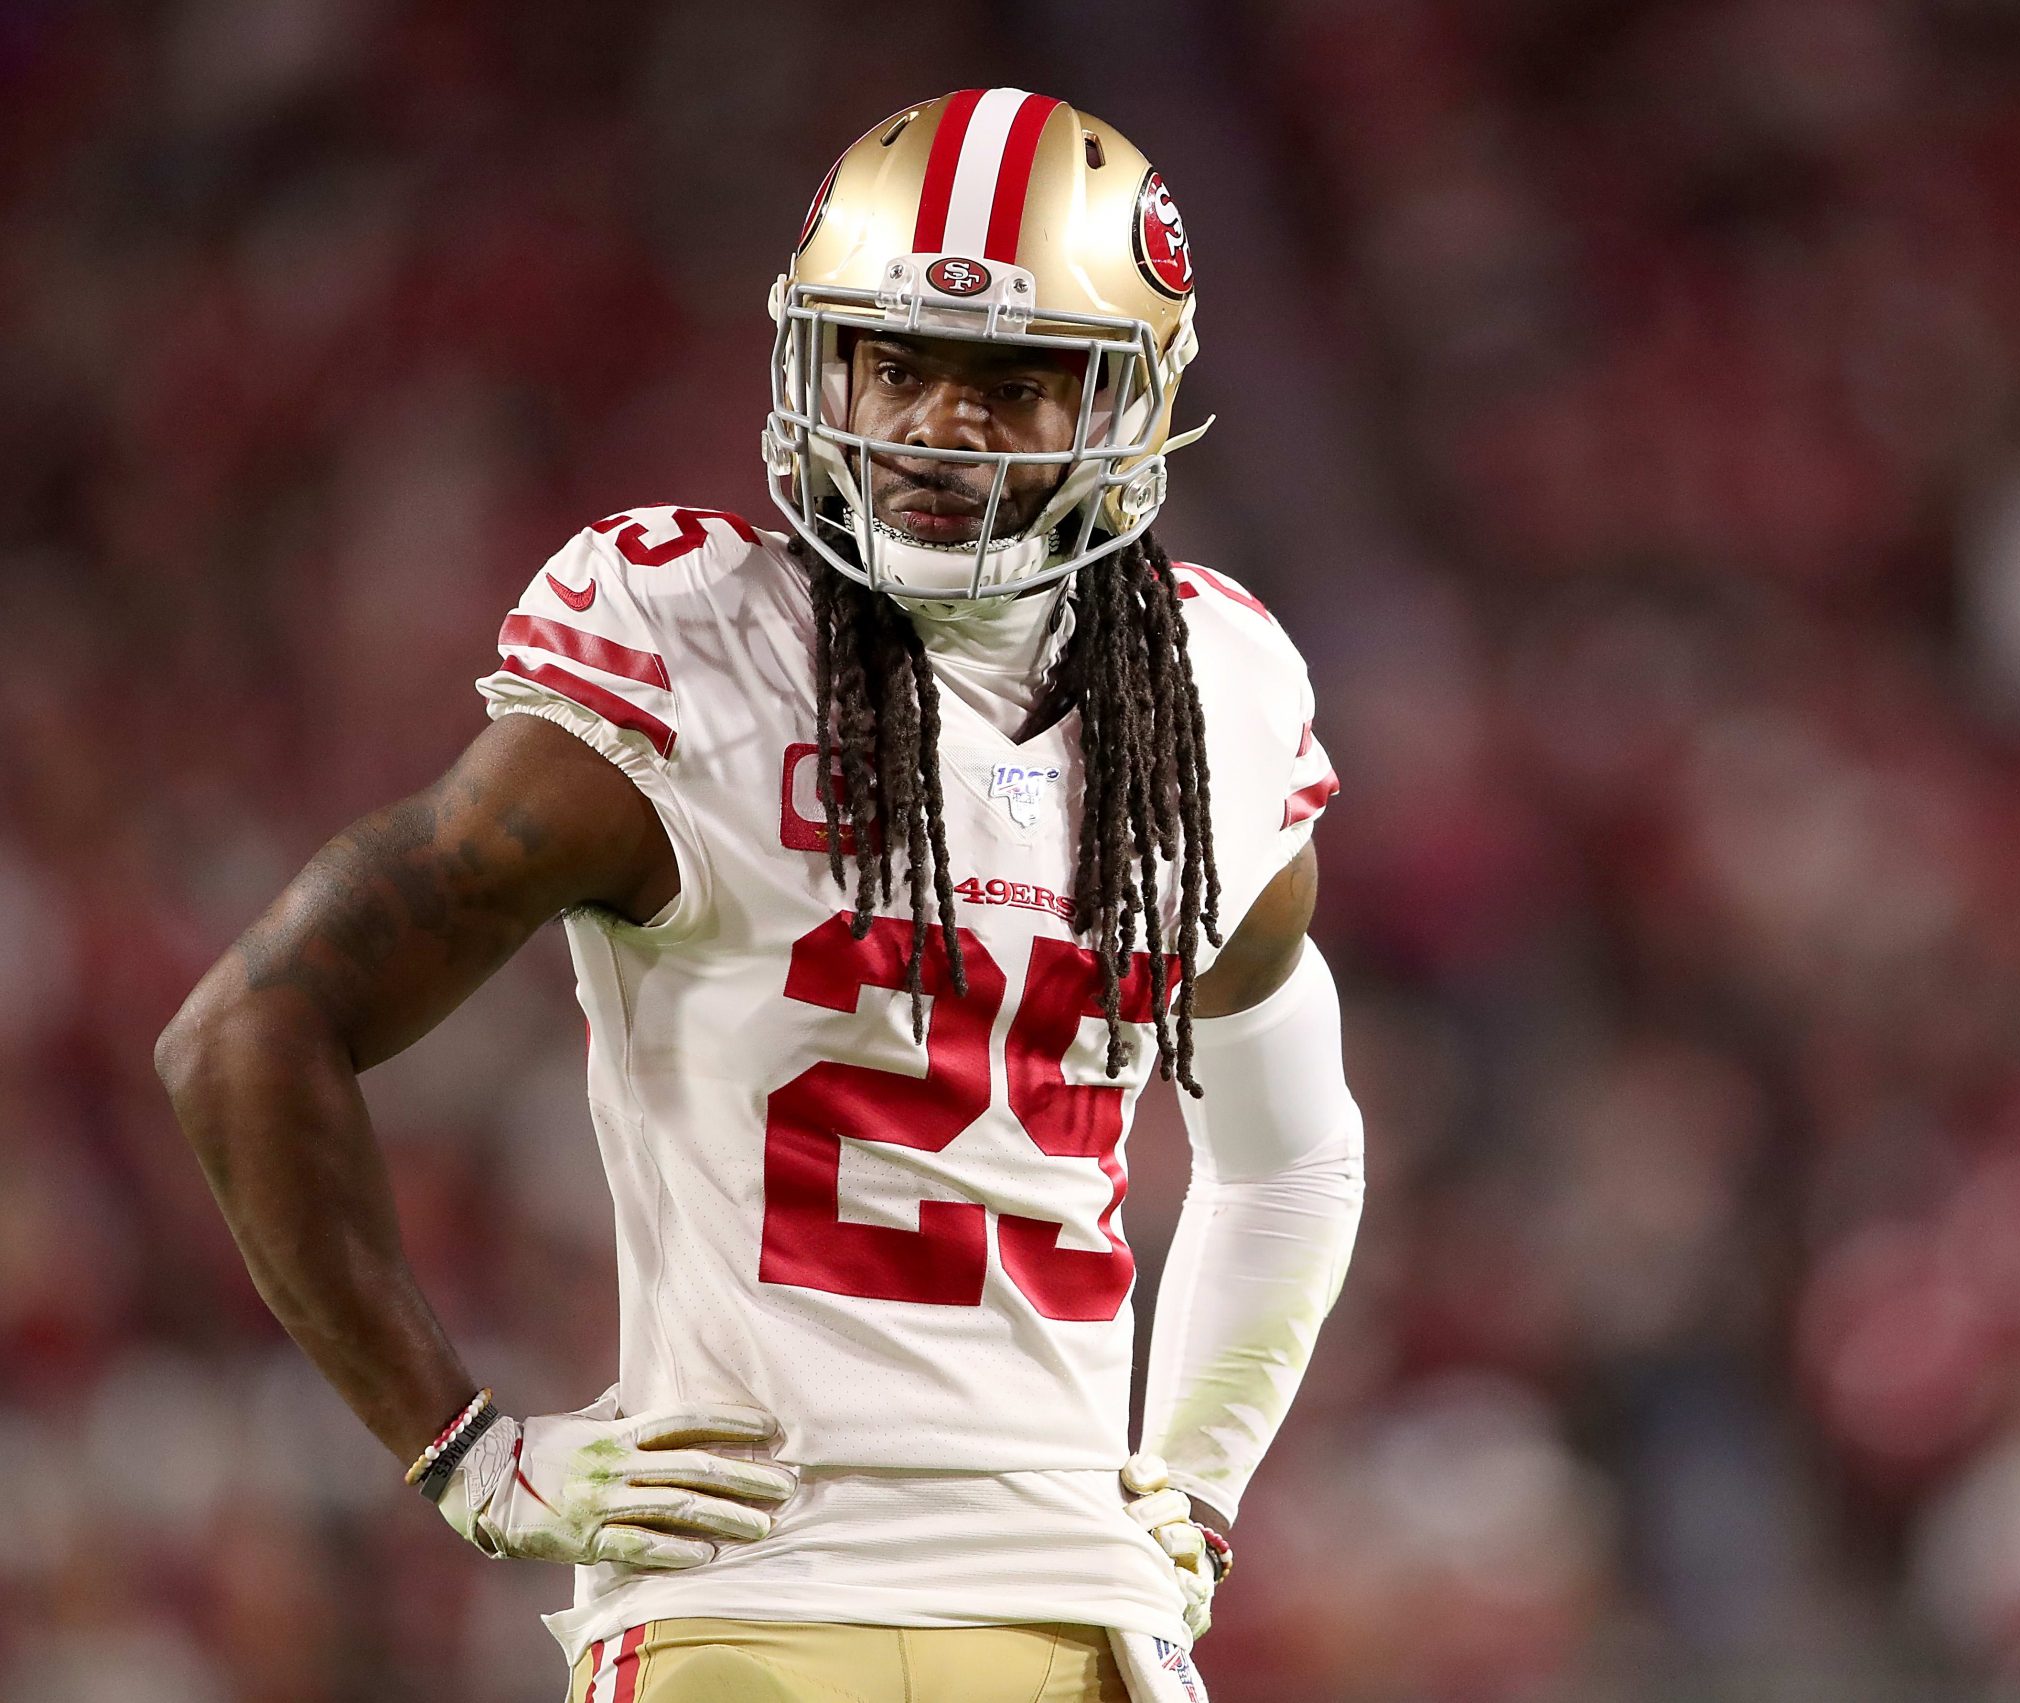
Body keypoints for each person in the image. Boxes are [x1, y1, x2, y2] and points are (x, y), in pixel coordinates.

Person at [155, 87, 1363, 1703]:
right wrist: (465, 1448)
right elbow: (248, 1031)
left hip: (1084, 1620)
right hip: (757, 1606)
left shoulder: (1209, 694)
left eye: (1011, 383)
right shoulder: (697, 646)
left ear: (1130, 402)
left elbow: (1293, 1157)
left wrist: (1196, 1481)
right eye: (895, 362)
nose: (935, 426)